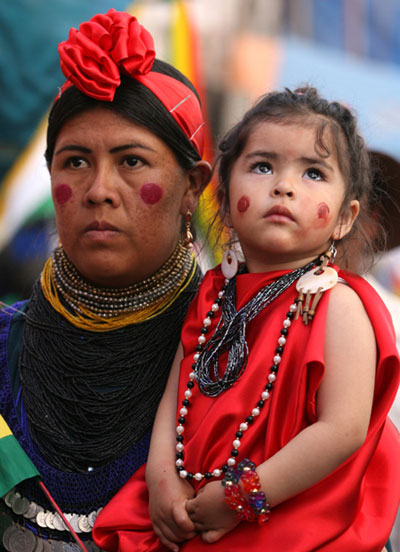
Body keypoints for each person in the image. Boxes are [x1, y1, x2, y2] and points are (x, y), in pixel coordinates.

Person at [92, 86, 400, 552]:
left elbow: (343, 429)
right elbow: (176, 396)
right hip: (191, 512)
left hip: (280, 523)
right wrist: (161, 482)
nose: (283, 185)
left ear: (344, 217)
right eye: (262, 166)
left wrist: (240, 496)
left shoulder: (339, 305)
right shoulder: (212, 295)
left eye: (313, 172)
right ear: (224, 193)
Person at [0, 9, 211, 552]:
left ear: (192, 187)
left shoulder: (239, 361)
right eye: (74, 162)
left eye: (132, 161)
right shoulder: (3, 348)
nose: (98, 189)